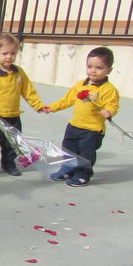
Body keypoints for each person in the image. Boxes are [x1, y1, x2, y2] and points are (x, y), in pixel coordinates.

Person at [0, 32, 46, 178]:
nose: (9, 57)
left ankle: (9, 164)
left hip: (13, 116)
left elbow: (28, 91)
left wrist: (37, 105)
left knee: (12, 145)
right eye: (4, 53)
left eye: (13, 53)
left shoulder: (19, 73)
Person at [46, 46, 119, 187]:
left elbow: (113, 104)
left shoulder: (108, 89)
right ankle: (67, 169)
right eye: (90, 66)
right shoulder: (81, 84)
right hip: (74, 125)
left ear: (108, 70)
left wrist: (109, 111)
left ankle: (82, 174)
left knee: (86, 154)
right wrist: (53, 107)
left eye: (99, 67)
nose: (93, 70)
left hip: (92, 129)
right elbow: (67, 100)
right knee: (68, 150)